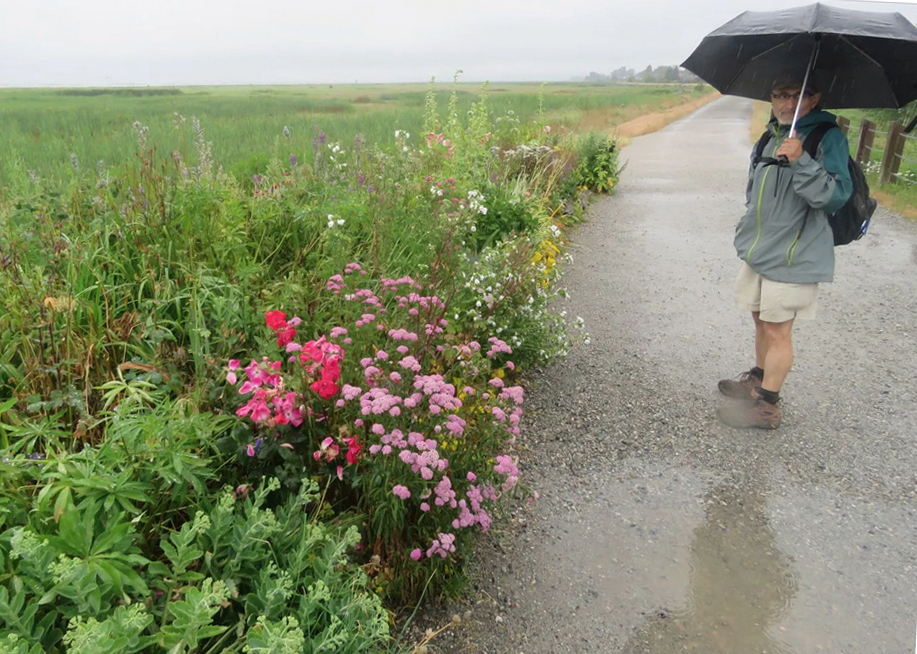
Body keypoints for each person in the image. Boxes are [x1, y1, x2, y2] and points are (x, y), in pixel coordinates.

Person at [717, 74, 853, 429]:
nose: (787, 103)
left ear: (814, 97)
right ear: (772, 98)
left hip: (795, 254)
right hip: (761, 250)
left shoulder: (828, 137)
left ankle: (766, 406)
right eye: (780, 95)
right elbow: (753, 189)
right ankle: (758, 380)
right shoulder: (769, 136)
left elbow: (836, 196)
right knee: (760, 319)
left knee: (778, 330)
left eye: (798, 95)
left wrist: (802, 160)